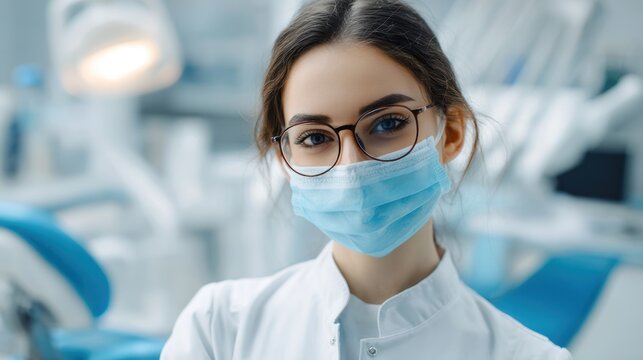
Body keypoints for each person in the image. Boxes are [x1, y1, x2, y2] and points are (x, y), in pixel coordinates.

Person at [161, 0, 573, 358]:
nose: (352, 166)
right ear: (286, 160)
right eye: (315, 137)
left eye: (388, 123)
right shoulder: (219, 330)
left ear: (450, 134)